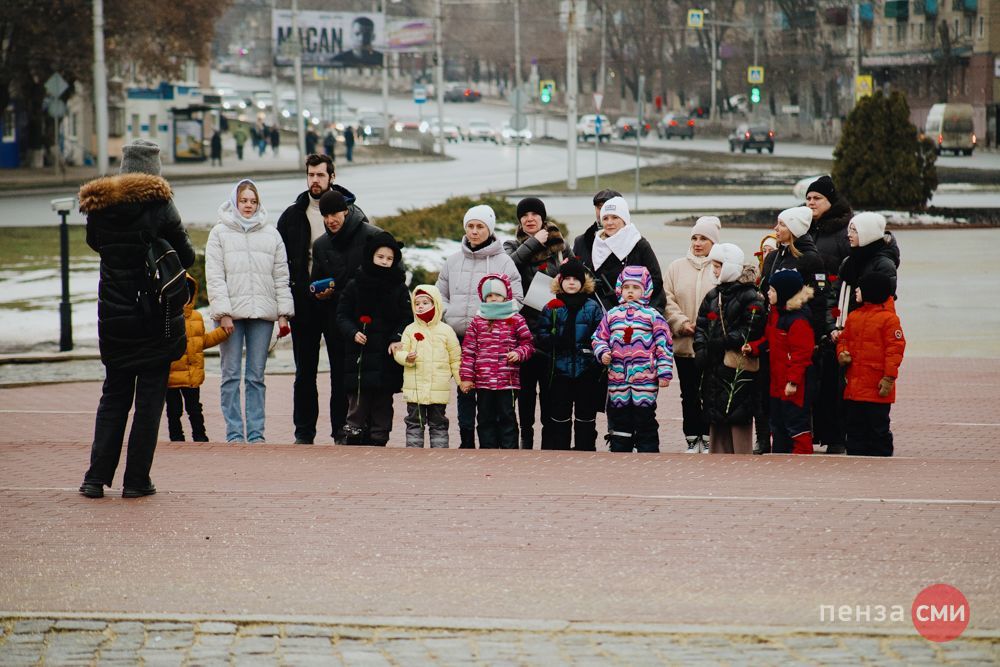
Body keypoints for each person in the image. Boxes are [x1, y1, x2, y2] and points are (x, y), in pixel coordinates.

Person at [78, 138, 196, 499]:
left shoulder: (100, 206)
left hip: (114, 317)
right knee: (148, 403)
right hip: (154, 319)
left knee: (113, 396)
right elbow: (187, 255)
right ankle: (136, 480)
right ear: (154, 172)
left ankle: (95, 478)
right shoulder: (160, 206)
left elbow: (95, 243)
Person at [276, 154, 371, 444]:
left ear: (332, 176)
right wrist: (285, 304)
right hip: (304, 304)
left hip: (338, 305)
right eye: (310, 175)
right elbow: (279, 263)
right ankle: (304, 432)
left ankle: (340, 429)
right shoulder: (292, 216)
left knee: (340, 370)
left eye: (320, 174)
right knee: (304, 372)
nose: (315, 180)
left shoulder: (352, 214)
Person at [205, 179, 294, 444]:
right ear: (234, 201)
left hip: (262, 316)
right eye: (243, 200)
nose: (248, 205)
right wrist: (223, 313)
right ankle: (234, 434)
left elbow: (281, 276)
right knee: (230, 375)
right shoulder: (219, 233)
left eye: (253, 201)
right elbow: (215, 276)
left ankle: (256, 435)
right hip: (230, 316)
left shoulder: (271, 234)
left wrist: (283, 313)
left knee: (256, 376)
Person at [436, 204, 523, 449]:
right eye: (470, 226)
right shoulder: (453, 261)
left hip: (493, 340)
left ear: (490, 229)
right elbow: (440, 294)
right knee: (464, 390)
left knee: (491, 397)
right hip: (459, 337)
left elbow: (517, 298)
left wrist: (494, 320)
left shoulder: (504, 262)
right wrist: (448, 313)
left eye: (480, 226)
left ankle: (494, 442)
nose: (474, 231)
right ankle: (466, 440)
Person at [310, 188, 384, 443]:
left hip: (369, 321)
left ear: (346, 210)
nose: (330, 220)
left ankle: (372, 433)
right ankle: (340, 432)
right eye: (325, 215)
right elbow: (315, 283)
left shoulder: (372, 235)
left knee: (369, 377)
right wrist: (319, 293)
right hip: (337, 322)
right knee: (340, 378)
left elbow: (392, 273)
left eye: (335, 214)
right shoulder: (320, 245)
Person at [335, 231, 411, 446]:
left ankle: (380, 438)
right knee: (358, 399)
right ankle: (353, 434)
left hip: (387, 353)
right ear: (371, 256)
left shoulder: (398, 286)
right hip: (360, 354)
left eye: (389, 258)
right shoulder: (355, 284)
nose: (385, 261)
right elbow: (342, 315)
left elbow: (407, 317)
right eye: (380, 257)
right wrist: (352, 332)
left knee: (383, 401)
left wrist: (397, 338)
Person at [503, 197, 565, 449]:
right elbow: (509, 267)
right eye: (524, 215)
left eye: (534, 214)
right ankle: (525, 439)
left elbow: (575, 276)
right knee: (525, 391)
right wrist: (534, 242)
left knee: (550, 391)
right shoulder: (510, 245)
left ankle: (549, 441)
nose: (530, 219)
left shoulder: (559, 245)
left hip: (551, 327)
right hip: (523, 329)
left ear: (543, 218)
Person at [591, 266, 674, 453]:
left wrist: (664, 373)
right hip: (618, 378)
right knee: (620, 418)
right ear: (619, 289)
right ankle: (621, 451)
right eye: (626, 287)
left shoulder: (653, 316)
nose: (630, 291)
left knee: (645, 417)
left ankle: (648, 452)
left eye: (636, 288)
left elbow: (664, 345)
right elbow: (598, 338)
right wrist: (603, 352)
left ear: (646, 290)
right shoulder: (612, 315)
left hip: (645, 379)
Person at [693, 244, 766, 455]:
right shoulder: (713, 295)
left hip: (735, 364)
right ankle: (718, 458)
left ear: (729, 267)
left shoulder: (750, 295)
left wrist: (723, 341)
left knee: (737, 412)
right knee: (716, 415)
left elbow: (752, 328)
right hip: (714, 364)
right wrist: (701, 348)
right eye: (714, 266)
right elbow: (701, 325)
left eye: (718, 266)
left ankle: (740, 458)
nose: (715, 271)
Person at [804, 175, 854, 455]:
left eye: (817, 198)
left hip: (836, 310)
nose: (811, 203)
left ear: (830, 201)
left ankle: (837, 436)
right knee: (814, 378)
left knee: (835, 378)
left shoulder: (844, 229)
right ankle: (816, 433)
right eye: (808, 198)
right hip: (809, 310)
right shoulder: (806, 228)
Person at [532, 258, 604, 451]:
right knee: (560, 414)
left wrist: (593, 357)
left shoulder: (591, 307)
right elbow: (541, 334)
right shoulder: (552, 306)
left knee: (585, 414)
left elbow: (601, 334)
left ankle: (585, 448)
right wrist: (553, 340)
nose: (571, 282)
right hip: (560, 370)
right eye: (567, 279)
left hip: (585, 369)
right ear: (560, 281)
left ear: (583, 282)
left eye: (576, 279)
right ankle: (560, 450)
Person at [663, 216, 720, 453]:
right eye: (694, 238)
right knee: (688, 393)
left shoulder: (720, 267)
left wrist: (708, 327)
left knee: (710, 392)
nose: (697, 243)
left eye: (703, 238)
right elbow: (667, 299)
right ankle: (691, 437)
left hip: (711, 344)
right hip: (684, 344)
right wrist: (682, 322)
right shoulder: (676, 267)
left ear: (713, 242)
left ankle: (707, 437)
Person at [459, 274, 535, 449]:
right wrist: (467, 377)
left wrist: (518, 353)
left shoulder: (515, 319)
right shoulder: (478, 321)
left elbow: (528, 344)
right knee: (485, 417)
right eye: (490, 295)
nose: (493, 298)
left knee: (507, 416)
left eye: (498, 295)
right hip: (483, 381)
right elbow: (469, 351)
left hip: (507, 380)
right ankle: (488, 449)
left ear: (505, 296)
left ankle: (509, 450)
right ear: (484, 298)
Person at [836, 272, 905, 457]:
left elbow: (895, 350)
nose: (856, 291)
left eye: (860, 288)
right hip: (855, 386)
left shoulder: (889, 319)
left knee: (878, 428)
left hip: (877, 386)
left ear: (871, 291)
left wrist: (889, 378)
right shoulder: (854, 316)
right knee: (854, 428)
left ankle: (881, 459)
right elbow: (844, 339)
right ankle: (856, 458)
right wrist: (842, 352)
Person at [754, 269, 815, 455]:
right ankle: (780, 459)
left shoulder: (798, 320)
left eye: (772, 290)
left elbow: (801, 354)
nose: (768, 293)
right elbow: (769, 339)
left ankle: (802, 459)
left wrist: (793, 381)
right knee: (778, 424)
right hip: (777, 382)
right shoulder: (777, 313)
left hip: (793, 385)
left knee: (796, 425)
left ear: (784, 293)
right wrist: (754, 347)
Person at [394, 285, 463, 448]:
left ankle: (439, 452)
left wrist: (461, 381)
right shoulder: (410, 329)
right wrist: (406, 357)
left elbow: (455, 358)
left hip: (438, 388)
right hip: (415, 388)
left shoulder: (446, 330)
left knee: (438, 422)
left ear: (435, 304)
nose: (420, 306)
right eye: (417, 303)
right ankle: (414, 451)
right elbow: (399, 351)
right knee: (414, 421)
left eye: (425, 303)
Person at [165, 275, 230, 442]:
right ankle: (176, 438)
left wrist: (222, 333)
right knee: (173, 410)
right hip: (170, 376)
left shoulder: (196, 317)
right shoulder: (165, 317)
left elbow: (202, 341)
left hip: (192, 375)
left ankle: (200, 436)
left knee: (194, 409)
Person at [576, 196, 664, 314]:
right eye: (605, 218)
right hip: (603, 312)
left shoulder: (638, 244)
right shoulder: (596, 244)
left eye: (615, 217)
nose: (609, 222)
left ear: (624, 219)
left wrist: (636, 305)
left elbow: (656, 280)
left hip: (638, 312)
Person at [831, 212, 901, 331]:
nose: (849, 234)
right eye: (849, 230)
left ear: (868, 234)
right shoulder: (848, 261)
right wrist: (832, 327)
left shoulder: (884, 265)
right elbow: (834, 295)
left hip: (868, 330)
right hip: (842, 329)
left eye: (854, 231)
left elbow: (883, 303)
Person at [572, 188, 622, 259]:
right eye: (600, 208)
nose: (603, 212)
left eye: (609, 208)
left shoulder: (634, 242)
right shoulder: (581, 242)